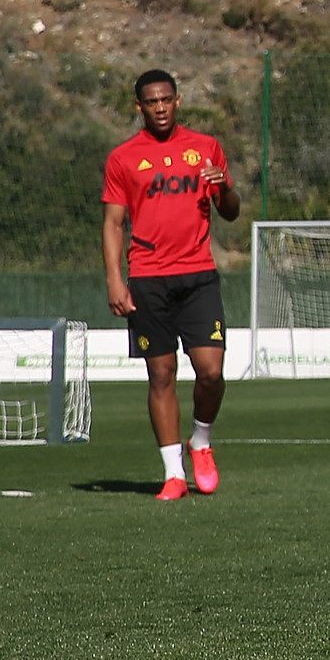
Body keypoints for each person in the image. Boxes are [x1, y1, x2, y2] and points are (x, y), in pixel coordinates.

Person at [101, 70, 240, 501]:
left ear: (178, 101)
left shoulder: (206, 147)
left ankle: (201, 440)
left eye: (166, 100)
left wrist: (224, 187)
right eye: (151, 102)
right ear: (139, 107)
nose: (160, 108)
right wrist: (114, 280)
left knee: (211, 372)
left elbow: (231, 210)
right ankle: (174, 474)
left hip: (198, 275)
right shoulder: (123, 158)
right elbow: (113, 223)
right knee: (161, 374)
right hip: (148, 279)